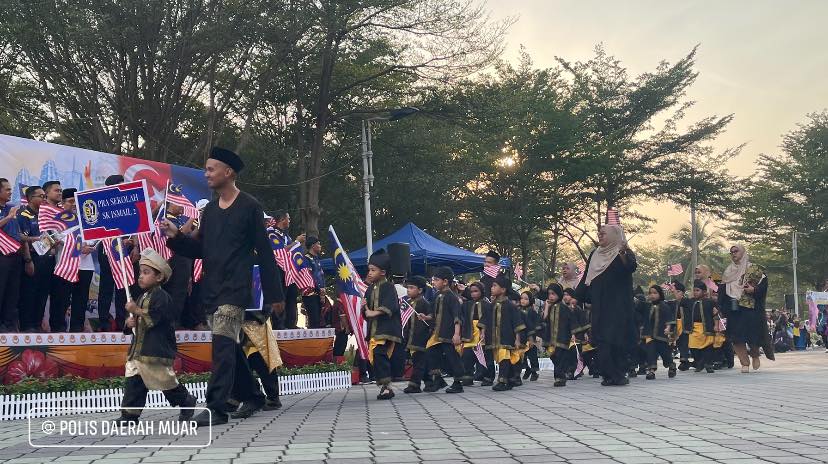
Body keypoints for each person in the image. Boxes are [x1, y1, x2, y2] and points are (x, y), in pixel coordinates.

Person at [162, 146, 285, 426]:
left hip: (235, 290)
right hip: (211, 290)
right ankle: (253, 395)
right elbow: (200, 249)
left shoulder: (250, 206)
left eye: (211, 169)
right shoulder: (211, 211)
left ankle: (216, 407)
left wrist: (275, 294)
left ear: (228, 173)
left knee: (221, 346)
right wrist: (175, 238)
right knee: (228, 347)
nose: (206, 174)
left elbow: (265, 252)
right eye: (206, 169)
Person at [114, 248, 196, 425]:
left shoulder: (162, 297)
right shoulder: (142, 296)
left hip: (155, 349)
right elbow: (138, 320)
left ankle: (186, 401)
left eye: (146, 272)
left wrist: (136, 311)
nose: (140, 276)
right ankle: (129, 415)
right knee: (133, 380)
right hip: (139, 350)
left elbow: (155, 318)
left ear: (159, 277)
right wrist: (129, 324)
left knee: (165, 382)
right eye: (140, 272)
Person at [576, 224, 637, 386]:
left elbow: (630, 267)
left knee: (617, 341)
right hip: (600, 306)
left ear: (613, 235)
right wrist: (578, 296)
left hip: (619, 308)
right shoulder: (595, 254)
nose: (600, 236)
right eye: (599, 233)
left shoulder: (622, 251)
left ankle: (617, 374)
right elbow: (587, 277)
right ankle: (609, 374)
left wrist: (623, 252)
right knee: (602, 341)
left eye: (603, 234)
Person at [719, 244, 774, 373]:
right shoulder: (728, 272)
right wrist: (720, 308)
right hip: (734, 309)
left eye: (736, 251)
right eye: (731, 252)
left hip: (750, 309)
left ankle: (755, 355)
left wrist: (753, 290)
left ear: (743, 252)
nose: (733, 253)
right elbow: (722, 291)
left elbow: (763, 287)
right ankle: (744, 363)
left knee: (753, 336)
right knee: (736, 337)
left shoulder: (753, 269)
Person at [361, 250, 403, 400]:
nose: (370, 273)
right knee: (377, 357)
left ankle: (387, 387)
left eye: (373, 270)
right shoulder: (370, 289)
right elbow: (366, 312)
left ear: (383, 272)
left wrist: (375, 312)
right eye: (369, 270)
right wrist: (364, 307)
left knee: (379, 354)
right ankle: (385, 386)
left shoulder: (389, 287)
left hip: (386, 329)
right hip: (374, 329)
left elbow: (391, 306)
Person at [55, 188, 96, 332]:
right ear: (63, 203)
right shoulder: (58, 219)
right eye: (71, 201)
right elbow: (57, 238)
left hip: (85, 266)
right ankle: (58, 328)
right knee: (62, 298)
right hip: (65, 265)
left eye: (76, 201)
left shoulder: (86, 219)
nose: (74, 204)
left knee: (81, 299)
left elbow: (93, 237)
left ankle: (77, 328)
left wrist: (88, 245)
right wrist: (78, 248)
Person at [423, 266, 464, 394]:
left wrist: (457, 334)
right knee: (430, 353)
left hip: (448, 333)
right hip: (437, 333)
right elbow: (432, 314)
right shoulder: (436, 295)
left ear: (445, 281)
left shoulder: (452, 297)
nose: (433, 282)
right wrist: (426, 317)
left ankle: (458, 383)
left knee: (452, 358)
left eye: (436, 280)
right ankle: (438, 380)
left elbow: (457, 317)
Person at [479, 275, 524, 391]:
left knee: (504, 357)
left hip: (506, 338)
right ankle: (510, 379)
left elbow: (517, 323)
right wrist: (482, 333)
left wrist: (517, 339)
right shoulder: (491, 305)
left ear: (503, 289)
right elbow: (484, 320)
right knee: (499, 359)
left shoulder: (510, 306)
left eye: (494, 286)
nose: (492, 288)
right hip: (493, 338)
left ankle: (502, 381)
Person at [17, 186, 47, 332]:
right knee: (29, 293)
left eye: (44, 196)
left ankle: (37, 324)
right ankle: (27, 326)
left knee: (42, 293)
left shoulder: (44, 215)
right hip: (31, 257)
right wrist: (28, 260)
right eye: (41, 196)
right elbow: (20, 237)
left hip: (46, 257)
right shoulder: (23, 213)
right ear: (30, 198)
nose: (44, 199)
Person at [541, 283, 578, 387]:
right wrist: (547, 307)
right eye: (549, 294)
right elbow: (544, 320)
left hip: (562, 338)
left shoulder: (565, 308)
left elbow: (572, 322)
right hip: (551, 338)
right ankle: (561, 374)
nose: (551, 296)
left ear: (559, 294)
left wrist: (573, 333)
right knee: (554, 357)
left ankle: (560, 378)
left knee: (561, 357)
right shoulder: (550, 307)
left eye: (553, 294)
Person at [403, 275, 433, 393]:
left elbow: (431, 319)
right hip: (411, 337)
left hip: (421, 338)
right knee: (420, 362)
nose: (408, 290)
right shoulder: (408, 302)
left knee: (418, 362)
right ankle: (429, 382)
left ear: (420, 290)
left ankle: (414, 384)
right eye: (407, 288)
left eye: (411, 288)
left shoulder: (424, 303)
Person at [270, 211, 299, 329]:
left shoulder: (286, 236)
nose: (290, 220)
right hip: (279, 269)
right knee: (280, 297)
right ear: (282, 219)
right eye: (288, 218)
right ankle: (278, 325)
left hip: (289, 271)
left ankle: (290, 324)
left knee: (291, 296)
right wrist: (296, 242)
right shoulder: (272, 233)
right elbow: (280, 251)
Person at [0, 178, 22, 332]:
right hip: (1, 256)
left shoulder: (11, 208)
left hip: (15, 256)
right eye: (7, 189)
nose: (10, 192)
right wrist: (8, 217)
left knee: (12, 292)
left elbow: (18, 234)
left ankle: (7, 325)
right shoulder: (9, 212)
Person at [643, 285, 677, 380]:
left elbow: (669, 318)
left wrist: (668, 328)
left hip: (661, 334)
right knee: (651, 352)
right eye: (650, 293)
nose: (652, 295)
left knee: (665, 353)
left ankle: (671, 365)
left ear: (660, 294)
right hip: (650, 334)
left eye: (655, 293)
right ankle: (651, 371)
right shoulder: (648, 306)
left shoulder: (664, 306)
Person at [459, 281, 488, 386]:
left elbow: (487, 319)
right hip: (469, 331)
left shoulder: (486, 305)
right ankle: (467, 376)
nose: (473, 294)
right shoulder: (467, 304)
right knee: (467, 356)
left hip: (481, 332)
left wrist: (484, 331)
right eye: (471, 292)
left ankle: (485, 376)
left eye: (476, 291)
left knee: (482, 356)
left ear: (482, 291)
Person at [688, 280, 716, 373]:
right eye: (694, 290)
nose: (695, 292)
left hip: (706, 328)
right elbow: (681, 302)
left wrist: (717, 311)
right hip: (694, 328)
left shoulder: (709, 302)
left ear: (704, 292)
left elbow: (718, 309)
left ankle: (708, 364)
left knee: (707, 347)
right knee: (693, 346)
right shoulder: (691, 301)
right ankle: (699, 362)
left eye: (697, 290)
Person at [517, 290, 541, 382]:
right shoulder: (518, 310)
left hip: (530, 337)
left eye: (526, 299)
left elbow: (535, 324)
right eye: (521, 298)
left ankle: (534, 372)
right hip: (522, 337)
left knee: (532, 356)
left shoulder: (531, 311)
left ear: (530, 300)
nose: (523, 300)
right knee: (522, 355)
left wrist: (534, 337)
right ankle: (527, 368)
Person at [302, 236, 325, 329]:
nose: (320, 246)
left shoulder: (316, 259)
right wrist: (320, 289)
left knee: (319, 320)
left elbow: (320, 276)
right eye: (318, 244)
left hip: (318, 293)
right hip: (310, 293)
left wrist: (323, 289)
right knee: (314, 320)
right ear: (312, 245)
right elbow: (310, 276)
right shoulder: (306, 259)